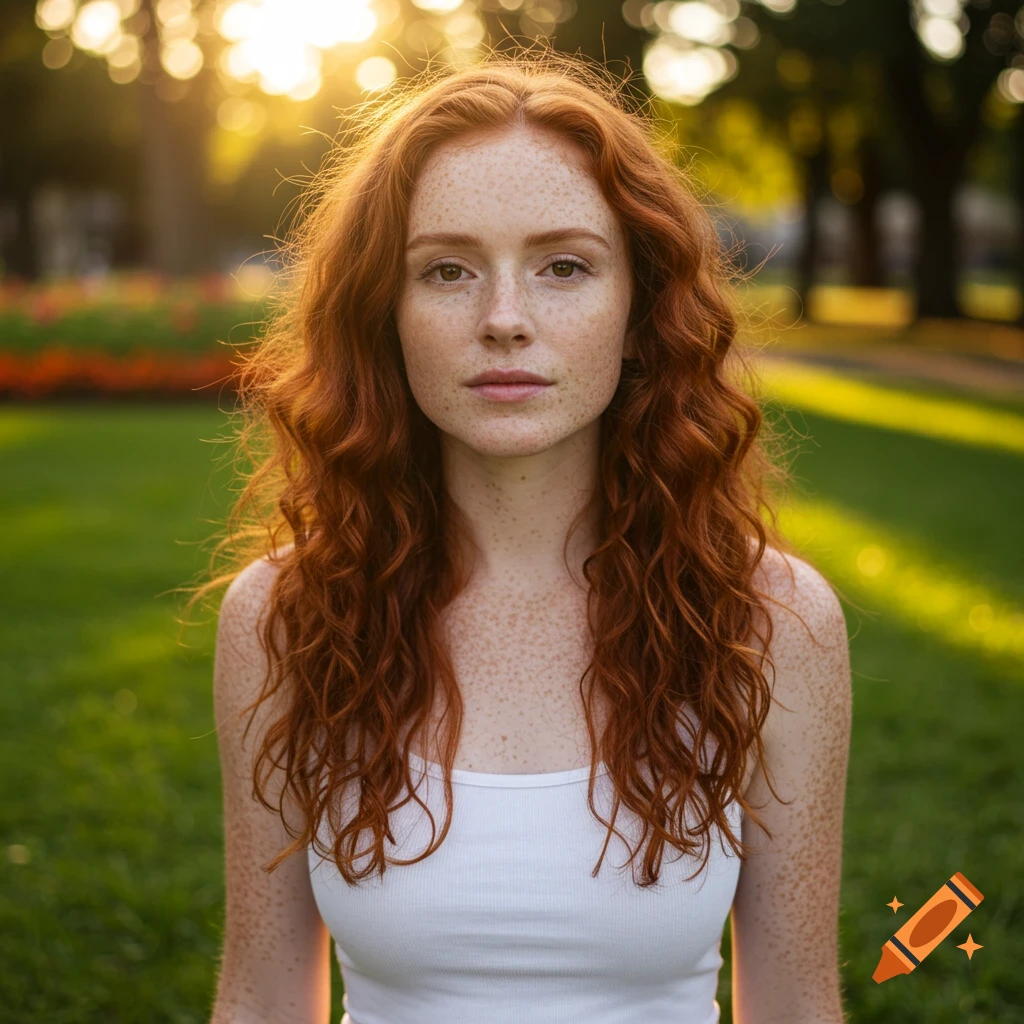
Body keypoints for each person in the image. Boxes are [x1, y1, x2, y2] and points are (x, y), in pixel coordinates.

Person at [196, 50, 852, 1024]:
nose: (504, 320)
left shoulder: (772, 620)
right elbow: (259, 995)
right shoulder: (285, 616)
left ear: (639, 308)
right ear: (388, 312)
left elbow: (797, 1003)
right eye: (449, 269)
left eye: (563, 266)